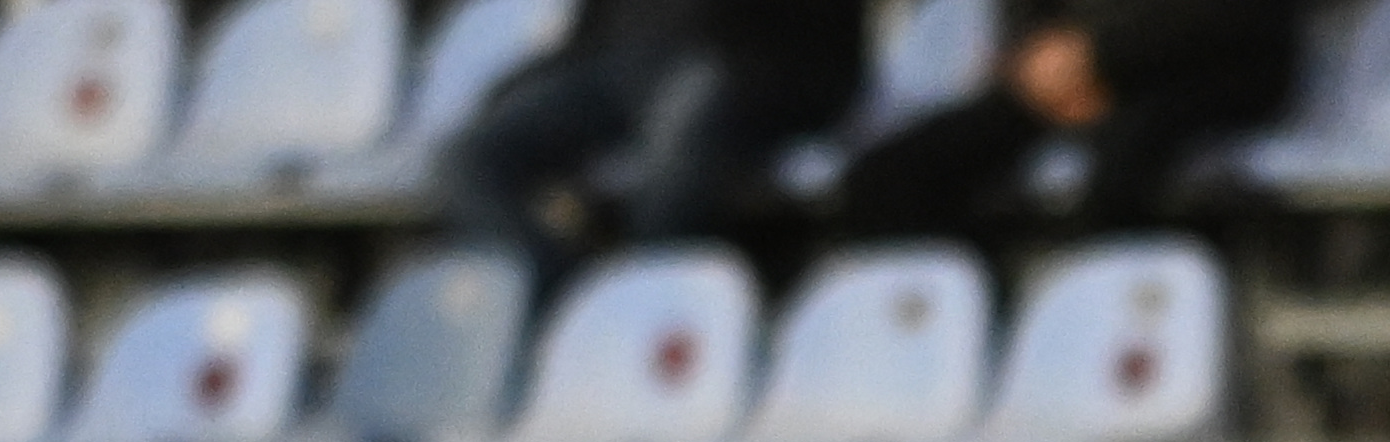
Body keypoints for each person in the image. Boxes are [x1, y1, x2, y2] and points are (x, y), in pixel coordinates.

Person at [441, 0, 862, 282]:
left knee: (678, 142)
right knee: (468, 157)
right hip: (615, 65)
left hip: (740, 62)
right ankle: (564, 299)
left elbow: (822, 47)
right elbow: (592, 29)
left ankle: (646, 308)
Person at [831, 0, 1312, 243]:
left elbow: (1245, 16)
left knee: (1126, 160)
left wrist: (1101, 57)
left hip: (1207, 69)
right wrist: (1036, 59)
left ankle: (1113, 339)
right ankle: (977, 336)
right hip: (1074, 76)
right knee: (891, 176)